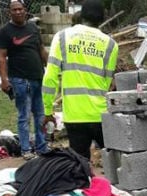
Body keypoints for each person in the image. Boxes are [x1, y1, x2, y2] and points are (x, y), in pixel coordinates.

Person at [41, 0, 118, 161]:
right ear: (102, 18)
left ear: (81, 15)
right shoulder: (111, 44)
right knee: (115, 163)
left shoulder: (62, 37)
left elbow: (49, 78)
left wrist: (48, 111)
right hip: (100, 115)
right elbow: (107, 83)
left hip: (75, 115)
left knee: (80, 167)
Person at [0, 0, 49, 160]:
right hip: (19, 80)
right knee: (24, 116)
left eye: (20, 9)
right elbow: (1, 57)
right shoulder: (5, 32)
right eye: (15, 10)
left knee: (40, 115)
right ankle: (26, 149)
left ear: (25, 10)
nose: (18, 12)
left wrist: (51, 69)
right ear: (10, 12)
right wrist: (4, 80)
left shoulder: (33, 28)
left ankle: (42, 147)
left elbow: (41, 50)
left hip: (38, 78)